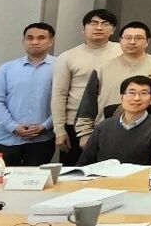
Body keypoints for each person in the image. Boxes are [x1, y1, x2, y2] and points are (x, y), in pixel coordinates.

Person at [75, 21, 151, 149]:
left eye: (138, 38)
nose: (132, 42)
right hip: (107, 131)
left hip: (148, 132)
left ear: (147, 42)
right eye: (127, 38)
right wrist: (85, 134)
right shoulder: (103, 68)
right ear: (120, 40)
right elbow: (88, 103)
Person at [52, 9, 122, 165]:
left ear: (113, 30)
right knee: (74, 171)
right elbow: (59, 94)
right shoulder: (67, 57)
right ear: (83, 29)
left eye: (105, 23)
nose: (99, 27)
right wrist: (59, 130)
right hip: (75, 124)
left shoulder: (122, 51)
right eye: (93, 23)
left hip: (113, 121)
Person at [0, 22, 56, 166]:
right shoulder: (7, 68)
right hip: (5, 139)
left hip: (41, 140)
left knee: (37, 179)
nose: (34, 42)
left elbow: (64, 102)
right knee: (1, 178)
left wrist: (45, 125)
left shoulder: (60, 66)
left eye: (41, 38)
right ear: (23, 41)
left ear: (51, 41)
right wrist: (13, 127)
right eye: (30, 38)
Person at [79, 75, 151, 165]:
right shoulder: (103, 126)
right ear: (121, 97)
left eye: (144, 93)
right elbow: (84, 163)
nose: (136, 98)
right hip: (101, 175)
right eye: (131, 93)